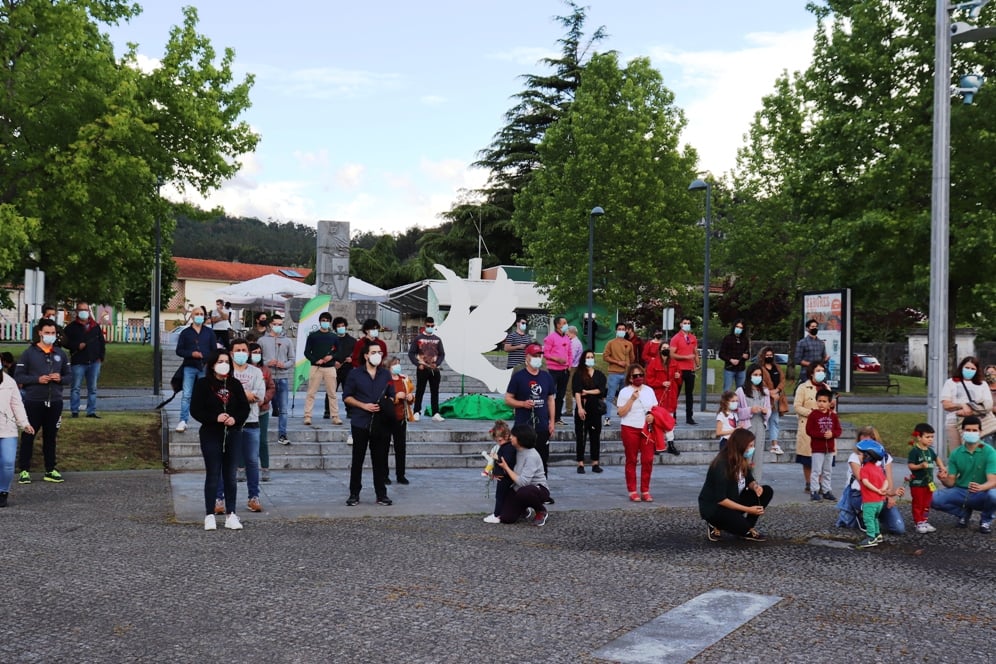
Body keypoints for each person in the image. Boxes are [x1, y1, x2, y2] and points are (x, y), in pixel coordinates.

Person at [190, 350, 250, 531]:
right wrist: (214, 418)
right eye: (220, 361)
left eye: (226, 361)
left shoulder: (235, 384)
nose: (224, 365)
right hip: (211, 433)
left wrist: (235, 419)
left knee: (230, 475)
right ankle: (209, 514)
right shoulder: (203, 384)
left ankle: (231, 514)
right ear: (213, 364)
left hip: (233, 433)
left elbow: (244, 408)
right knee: (213, 473)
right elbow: (196, 410)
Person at [15, 319, 71, 484]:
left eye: (53, 333)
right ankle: (24, 470)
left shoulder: (60, 354)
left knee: (50, 436)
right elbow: (18, 376)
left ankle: (50, 469)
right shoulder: (29, 353)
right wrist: (37, 379)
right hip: (34, 401)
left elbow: (69, 376)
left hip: (55, 401)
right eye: (47, 333)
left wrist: (60, 378)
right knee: (28, 435)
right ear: (40, 333)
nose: (50, 336)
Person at [342, 339, 395, 506]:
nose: (377, 355)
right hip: (360, 421)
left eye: (379, 352)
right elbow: (347, 397)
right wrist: (363, 405)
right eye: (373, 352)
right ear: (366, 356)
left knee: (379, 460)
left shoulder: (385, 374)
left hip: (380, 422)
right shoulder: (355, 374)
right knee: (357, 459)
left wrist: (387, 403)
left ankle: (381, 494)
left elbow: (392, 395)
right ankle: (354, 494)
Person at [698, 428, 772, 541]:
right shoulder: (721, 465)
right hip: (716, 507)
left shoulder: (741, 459)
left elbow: (749, 479)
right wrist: (748, 509)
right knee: (741, 526)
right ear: (741, 445)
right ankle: (715, 523)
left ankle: (747, 528)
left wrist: (755, 486)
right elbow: (721, 499)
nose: (752, 448)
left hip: (733, 499)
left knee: (767, 491)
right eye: (750, 445)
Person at [834, 426, 906, 535]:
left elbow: (888, 480)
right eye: (864, 440)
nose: (867, 443)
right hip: (862, 494)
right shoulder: (855, 457)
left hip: (881, 495)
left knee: (898, 529)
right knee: (872, 517)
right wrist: (884, 494)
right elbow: (864, 483)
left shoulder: (885, 457)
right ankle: (864, 516)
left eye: (870, 440)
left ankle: (876, 516)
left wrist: (890, 495)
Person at [221, 339, 266, 514]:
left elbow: (259, 395)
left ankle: (253, 497)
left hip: (251, 421)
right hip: (230, 423)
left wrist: (238, 394)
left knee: (252, 461)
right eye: (238, 350)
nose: (241, 353)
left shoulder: (256, 372)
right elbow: (224, 396)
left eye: (244, 350)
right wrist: (245, 395)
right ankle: (219, 498)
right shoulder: (225, 372)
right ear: (231, 353)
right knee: (227, 462)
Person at [931, 415, 996, 533]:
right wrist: (943, 479)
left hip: (982, 492)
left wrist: (981, 487)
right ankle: (963, 513)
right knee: (932, 499)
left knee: (994, 495)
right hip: (961, 490)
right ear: (962, 431)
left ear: (980, 432)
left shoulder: (989, 452)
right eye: (968, 430)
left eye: (974, 430)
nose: (971, 433)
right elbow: (951, 483)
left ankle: (986, 520)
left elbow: (993, 481)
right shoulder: (956, 453)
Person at [504, 343, 556, 484]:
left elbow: (551, 399)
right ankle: (519, 486)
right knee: (521, 459)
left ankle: (541, 487)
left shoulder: (546, 376)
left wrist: (552, 421)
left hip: (542, 425)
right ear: (527, 357)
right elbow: (508, 399)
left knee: (542, 459)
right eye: (534, 355)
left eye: (539, 355)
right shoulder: (519, 377)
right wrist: (522, 404)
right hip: (523, 426)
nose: (538, 358)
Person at [617, 363, 658, 502]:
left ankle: (645, 490)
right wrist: (631, 399)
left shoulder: (649, 391)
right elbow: (621, 412)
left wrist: (652, 416)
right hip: (630, 427)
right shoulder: (624, 392)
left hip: (647, 428)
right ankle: (632, 490)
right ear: (630, 378)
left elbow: (655, 409)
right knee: (632, 459)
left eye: (641, 375)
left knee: (648, 459)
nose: (639, 377)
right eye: (636, 376)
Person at [174, 305, 218, 433]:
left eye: (201, 314)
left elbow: (214, 351)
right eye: (197, 314)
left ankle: (208, 419)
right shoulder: (185, 333)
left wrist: (207, 359)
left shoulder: (209, 332)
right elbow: (179, 350)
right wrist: (191, 354)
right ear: (192, 316)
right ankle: (183, 420)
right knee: (187, 395)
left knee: (207, 394)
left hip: (205, 367)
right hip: (189, 366)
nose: (199, 316)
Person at [495, 424, 550, 526]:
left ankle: (540, 510)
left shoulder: (531, 456)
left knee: (524, 492)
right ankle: (523, 508)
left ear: (521, 438)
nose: (510, 437)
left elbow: (523, 482)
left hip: (537, 489)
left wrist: (506, 468)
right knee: (506, 518)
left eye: (513, 435)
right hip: (518, 488)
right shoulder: (514, 450)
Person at [940, 356, 993, 452]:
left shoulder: (982, 384)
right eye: (967, 368)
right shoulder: (951, 382)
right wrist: (961, 405)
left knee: (978, 452)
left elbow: (988, 405)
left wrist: (970, 410)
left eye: (973, 369)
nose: (969, 370)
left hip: (978, 424)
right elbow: (946, 405)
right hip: (954, 423)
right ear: (961, 367)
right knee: (957, 453)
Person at [793, 361, 832, 492]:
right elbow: (797, 406)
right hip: (808, 427)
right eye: (818, 371)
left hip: (824, 427)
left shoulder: (826, 387)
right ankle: (809, 483)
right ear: (811, 373)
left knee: (822, 457)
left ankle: (820, 484)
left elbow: (830, 406)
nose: (821, 373)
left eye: (822, 371)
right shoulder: (803, 387)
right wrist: (812, 414)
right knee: (808, 458)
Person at [64, 301, 106, 419]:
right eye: (81, 310)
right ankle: (74, 411)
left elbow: (101, 342)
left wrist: (100, 357)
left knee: (92, 388)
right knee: (76, 388)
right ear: (77, 311)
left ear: (89, 311)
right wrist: (76, 346)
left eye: (86, 310)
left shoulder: (95, 326)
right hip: (78, 362)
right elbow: (65, 342)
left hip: (94, 362)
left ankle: (91, 411)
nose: (84, 312)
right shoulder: (71, 327)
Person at [0, 365, 34, 506]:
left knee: (8, 463)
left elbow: (17, 404)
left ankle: (3, 492)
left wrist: (24, 423)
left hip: (7, 429)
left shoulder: (9, 382)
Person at [258, 313, 294, 445]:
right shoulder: (262, 340)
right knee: (262, 406)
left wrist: (283, 365)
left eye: (280, 324)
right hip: (266, 378)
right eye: (275, 324)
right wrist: (267, 363)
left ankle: (282, 434)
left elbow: (292, 360)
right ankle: (259, 433)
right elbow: (257, 359)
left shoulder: (287, 341)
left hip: (282, 377)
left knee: (283, 409)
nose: (277, 327)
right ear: (270, 325)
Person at [572, 349, 607, 474]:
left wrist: (586, 391)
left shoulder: (599, 374)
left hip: (595, 408)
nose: (590, 359)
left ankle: (595, 462)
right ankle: (580, 463)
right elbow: (577, 392)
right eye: (588, 357)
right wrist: (580, 408)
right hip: (583, 406)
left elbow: (601, 390)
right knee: (581, 435)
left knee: (595, 435)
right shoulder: (579, 374)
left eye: (592, 357)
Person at [908, 423, 945, 534]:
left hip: (929, 483)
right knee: (918, 503)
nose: (930, 439)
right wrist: (920, 466)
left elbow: (937, 458)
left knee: (927, 503)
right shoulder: (915, 451)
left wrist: (942, 467)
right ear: (919, 437)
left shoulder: (930, 450)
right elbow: (910, 465)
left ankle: (924, 520)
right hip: (917, 483)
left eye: (932, 437)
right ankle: (918, 522)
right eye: (927, 437)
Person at [303, 312, 339, 426]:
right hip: (316, 367)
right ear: (319, 321)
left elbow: (338, 350)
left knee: (332, 393)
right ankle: (308, 416)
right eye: (323, 320)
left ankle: (335, 416)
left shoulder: (334, 336)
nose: (325, 322)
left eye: (327, 320)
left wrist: (331, 356)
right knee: (311, 393)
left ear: (330, 322)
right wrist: (315, 360)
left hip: (330, 368)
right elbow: (307, 352)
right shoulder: (312, 336)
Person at [805, 388, 841, 502]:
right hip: (817, 448)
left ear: (830, 403)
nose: (821, 404)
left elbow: (838, 430)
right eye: (819, 401)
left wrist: (832, 434)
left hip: (829, 449)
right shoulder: (813, 415)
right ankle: (814, 491)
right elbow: (809, 430)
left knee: (827, 471)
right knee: (816, 471)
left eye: (824, 401)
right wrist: (822, 435)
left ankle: (826, 490)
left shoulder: (833, 416)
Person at [735, 365, 770, 480]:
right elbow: (736, 411)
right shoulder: (741, 391)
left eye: (760, 375)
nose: (758, 377)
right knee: (745, 455)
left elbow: (769, 410)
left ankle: (756, 482)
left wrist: (766, 412)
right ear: (749, 375)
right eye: (755, 375)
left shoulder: (765, 391)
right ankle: (742, 481)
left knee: (758, 456)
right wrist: (750, 410)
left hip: (760, 426)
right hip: (747, 427)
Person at [408, 316, 446, 422]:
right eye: (428, 326)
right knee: (420, 390)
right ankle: (416, 412)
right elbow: (411, 353)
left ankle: (436, 413)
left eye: (432, 326)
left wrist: (437, 363)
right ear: (424, 325)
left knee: (435, 391)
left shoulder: (437, 339)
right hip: (422, 368)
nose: (430, 327)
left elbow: (442, 354)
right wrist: (417, 364)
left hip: (434, 369)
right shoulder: (418, 339)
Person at [854, 439, 889, 548]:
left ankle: (871, 537)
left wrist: (876, 490)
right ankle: (878, 535)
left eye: (860, 454)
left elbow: (865, 482)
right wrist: (882, 489)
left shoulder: (864, 469)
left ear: (867, 456)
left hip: (870, 501)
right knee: (875, 518)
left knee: (868, 519)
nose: (858, 456)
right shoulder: (878, 468)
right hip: (880, 502)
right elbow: (886, 481)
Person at [386, 356, 414, 485]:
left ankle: (400, 474)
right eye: (394, 364)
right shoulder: (385, 380)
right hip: (387, 417)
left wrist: (410, 397)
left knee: (401, 448)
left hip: (401, 417)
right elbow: (382, 398)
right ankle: (384, 475)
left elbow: (411, 394)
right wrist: (396, 397)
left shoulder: (404, 379)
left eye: (398, 363)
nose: (397, 366)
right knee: (384, 448)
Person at [248, 342, 275, 483]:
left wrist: (264, 399)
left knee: (262, 440)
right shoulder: (243, 370)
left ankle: (265, 468)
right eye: (254, 352)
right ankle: (241, 468)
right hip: (246, 411)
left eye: (259, 353)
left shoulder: (265, 370)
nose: (257, 355)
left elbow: (271, 387)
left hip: (262, 411)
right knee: (243, 440)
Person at [602, 322, 635, 426]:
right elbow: (605, 356)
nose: (621, 331)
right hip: (614, 373)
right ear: (616, 331)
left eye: (623, 329)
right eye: (619, 329)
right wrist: (617, 362)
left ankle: (624, 416)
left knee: (625, 396)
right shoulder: (610, 343)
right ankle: (607, 418)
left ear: (626, 331)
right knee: (610, 396)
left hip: (625, 373)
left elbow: (632, 358)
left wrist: (628, 366)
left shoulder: (629, 344)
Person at [483, 420, 516, 523]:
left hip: (505, 476)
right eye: (497, 441)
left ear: (507, 436)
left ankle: (497, 515)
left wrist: (497, 457)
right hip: (503, 475)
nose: (499, 443)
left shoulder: (509, 447)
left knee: (500, 496)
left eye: (500, 440)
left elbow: (507, 460)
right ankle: (500, 513)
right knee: (502, 496)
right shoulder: (506, 446)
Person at [670, 316, 699, 425]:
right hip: (679, 369)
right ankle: (673, 416)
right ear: (681, 324)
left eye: (688, 323)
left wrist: (697, 364)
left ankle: (689, 417)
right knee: (675, 394)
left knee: (689, 394)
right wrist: (685, 357)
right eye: (685, 323)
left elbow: (695, 352)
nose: (687, 325)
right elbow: (672, 354)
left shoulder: (693, 337)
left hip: (690, 369)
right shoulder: (676, 338)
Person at [543, 316, 572, 425]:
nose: (566, 325)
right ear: (558, 325)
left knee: (561, 395)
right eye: (564, 323)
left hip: (564, 371)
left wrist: (569, 365)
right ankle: (546, 416)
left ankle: (557, 417)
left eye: (566, 322)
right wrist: (557, 359)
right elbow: (546, 353)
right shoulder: (550, 338)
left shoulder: (567, 338)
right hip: (553, 370)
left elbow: (570, 353)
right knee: (549, 394)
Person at [324, 316, 354, 423]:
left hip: (348, 370)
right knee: (331, 390)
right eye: (338, 326)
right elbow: (326, 354)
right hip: (333, 369)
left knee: (348, 391)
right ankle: (328, 411)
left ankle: (350, 411)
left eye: (343, 326)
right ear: (335, 328)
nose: (341, 328)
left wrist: (352, 359)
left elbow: (357, 355)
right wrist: (333, 362)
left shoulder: (352, 341)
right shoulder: (331, 340)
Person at [757, 347, 786, 455]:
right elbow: (761, 382)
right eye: (767, 355)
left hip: (776, 398)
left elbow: (782, 380)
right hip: (764, 398)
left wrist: (777, 390)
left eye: (771, 355)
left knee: (774, 420)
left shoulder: (777, 367)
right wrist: (769, 392)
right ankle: (757, 442)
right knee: (761, 420)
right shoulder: (760, 368)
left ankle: (774, 444)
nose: (769, 357)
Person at [719, 319, 751, 391]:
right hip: (729, 368)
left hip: (741, 369)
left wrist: (746, 356)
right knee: (727, 389)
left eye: (741, 328)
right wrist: (730, 360)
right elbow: (721, 354)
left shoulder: (745, 340)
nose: (738, 329)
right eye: (737, 327)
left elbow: (747, 353)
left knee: (741, 390)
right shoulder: (728, 338)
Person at [795, 319, 829, 383]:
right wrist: (812, 365)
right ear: (807, 328)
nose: (815, 328)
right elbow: (797, 359)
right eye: (812, 327)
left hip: (819, 374)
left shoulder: (821, 343)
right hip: (806, 374)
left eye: (816, 327)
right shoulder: (802, 342)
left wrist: (826, 359)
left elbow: (823, 359)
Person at [564, 325, 584, 415]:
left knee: (568, 389)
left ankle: (569, 410)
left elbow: (571, 356)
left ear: (572, 333)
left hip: (572, 367)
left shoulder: (574, 343)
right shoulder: (576, 342)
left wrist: (567, 366)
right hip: (575, 367)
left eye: (567, 334)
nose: (566, 335)